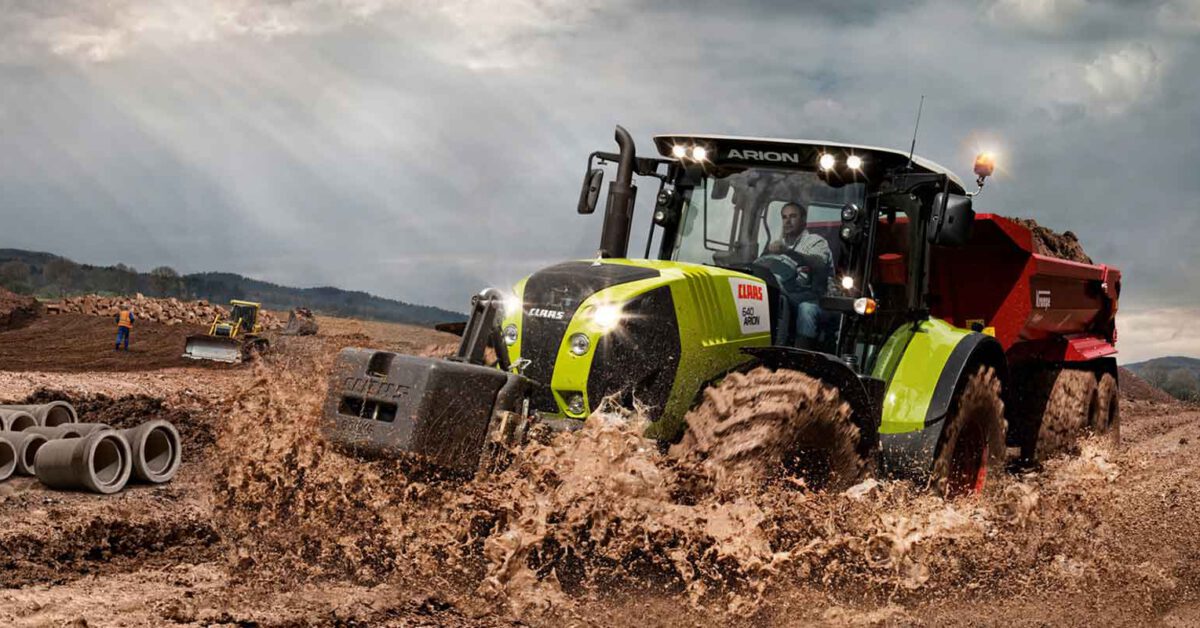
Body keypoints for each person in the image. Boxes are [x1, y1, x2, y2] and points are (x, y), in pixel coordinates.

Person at [759, 202, 833, 349]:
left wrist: (786, 251)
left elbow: (818, 262)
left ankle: (800, 359)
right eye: (784, 217)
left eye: (793, 216)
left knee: (806, 310)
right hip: (785, 295)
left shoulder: (816, 242)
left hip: (815, 300)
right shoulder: (776, 245)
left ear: (804, 219)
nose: (787, 221)